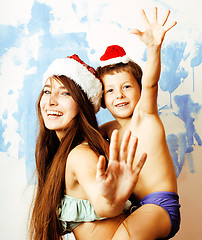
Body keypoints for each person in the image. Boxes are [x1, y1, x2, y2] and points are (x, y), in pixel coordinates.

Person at [28, 54, 147, 240]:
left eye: (65, 93)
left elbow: (103, 204)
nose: (51, 101)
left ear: (83, 105)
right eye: (47, 91)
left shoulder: (80, 155)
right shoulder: (64, 153)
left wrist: (111, 200)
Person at [97, 7, 181, 239]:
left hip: (160, 205)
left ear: (140, 90)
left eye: (126, 87)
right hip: (133, 207)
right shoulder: (108, 131)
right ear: (102, 101)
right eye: (110, 91)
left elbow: (152, 82)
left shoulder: (146, 115)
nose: (119, 95)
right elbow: (84, 133)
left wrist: (153, 48)